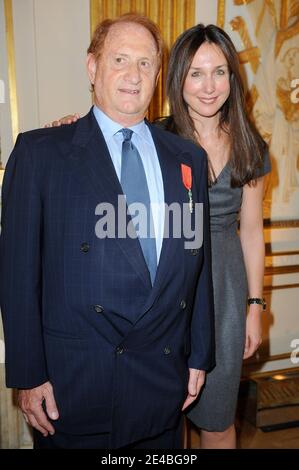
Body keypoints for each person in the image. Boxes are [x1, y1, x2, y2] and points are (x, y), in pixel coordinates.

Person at [0, 14, 215, 449]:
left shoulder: (187, 157)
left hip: (163, 382)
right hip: (74, 386)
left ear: (157, 74)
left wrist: (200, 354)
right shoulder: (41, 152)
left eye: (145, 63)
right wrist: (28, 375)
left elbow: (198, 262)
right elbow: (17, 273)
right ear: (92, 67)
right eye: (120, 59)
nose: (133, 75)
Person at [56, 23, 271, 449]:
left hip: (223, 291)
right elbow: (100, 145)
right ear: (177, 80)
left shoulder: (251, 147)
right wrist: (68, 127)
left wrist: (254, 306)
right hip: (165, 288)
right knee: (166, 416)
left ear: (233, 78)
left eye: (220, 72)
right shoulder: (156, 137)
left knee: (217, 417)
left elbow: (250, 233)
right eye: (195, 73)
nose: (209, 86)